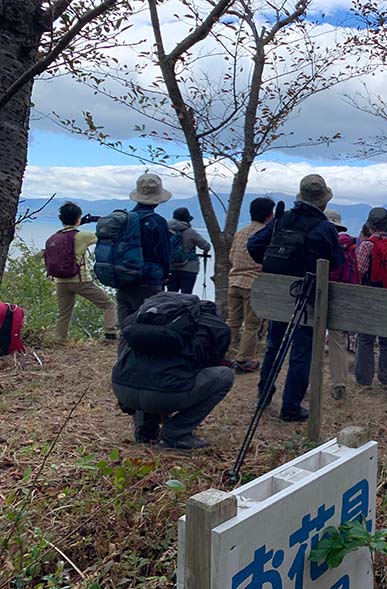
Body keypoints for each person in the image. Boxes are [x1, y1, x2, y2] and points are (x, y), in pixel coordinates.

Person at [247, 174, 344, 422]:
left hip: (278, 293)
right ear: (323, 202)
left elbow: (254, 244)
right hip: (307, 294)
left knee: (273, 345)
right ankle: (290, 407)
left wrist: (271, 267)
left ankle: (263, 396)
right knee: (301, 350)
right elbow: (337, 261)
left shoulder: (283, 218)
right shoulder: (324, 227)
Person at [112, 292, 233, 449]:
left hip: (122, 390)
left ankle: (145, 429)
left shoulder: (140, 317)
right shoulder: (214, 326)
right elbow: (211, 363)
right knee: (224, 375)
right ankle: (176, 433)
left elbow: (122, 356)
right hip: (166, 394)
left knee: (143, 370)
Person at [47, 201, 118, 341]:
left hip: (60, 281)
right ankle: (110, 334)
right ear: (78, 218)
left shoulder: (55, 236)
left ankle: (59, 340)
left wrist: (80, 222)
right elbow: (103, 235)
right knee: (109, 305)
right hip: (80, 280)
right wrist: (95, 220)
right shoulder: (82, 236)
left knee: (64, 313)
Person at [354, 207, 387, 390]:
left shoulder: (367, 245)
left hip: (370, 295)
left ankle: (364, 380)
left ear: (371, 226)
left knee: (366, 338)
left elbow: (359, 271)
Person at [116, 173, 172, 323]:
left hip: (123, 279)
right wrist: (166, 274)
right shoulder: (157, 222)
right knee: (147, 328)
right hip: (149, 282)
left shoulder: (124, 220)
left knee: (126, 329)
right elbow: (165, 254)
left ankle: (122, 347)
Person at [228, 197, 274, 373]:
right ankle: (244, 359)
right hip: (253, 283)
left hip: (234, 281)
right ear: (269, 215)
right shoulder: (266, 234)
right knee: (252, 325)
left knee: (232, 321)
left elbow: (232, 256)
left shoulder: (241, 232)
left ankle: (222, 353)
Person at [325, 208, 359, 400]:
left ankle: (304, 383)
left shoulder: (320, 243)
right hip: (342, 299)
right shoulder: (351, 247)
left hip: (319, 296)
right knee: (338, 341)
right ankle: (339, 382)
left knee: (310, 339)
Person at [167, 207, 211, 294]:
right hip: (189, 268)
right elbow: (206, 246)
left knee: (170, 295)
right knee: (186, 295)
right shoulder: (191, 232)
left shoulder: (166, 230)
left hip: (171, 267)